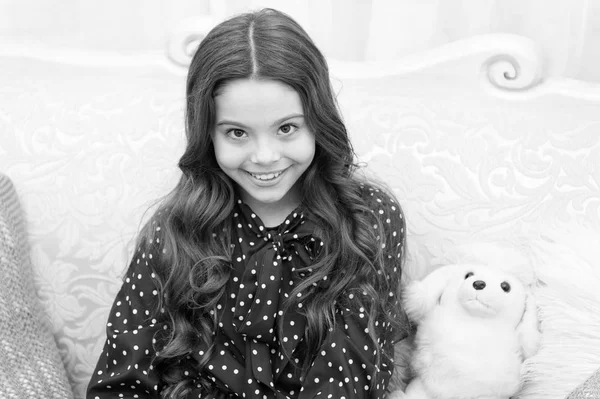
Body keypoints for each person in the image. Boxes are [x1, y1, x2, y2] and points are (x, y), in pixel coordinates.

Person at [87, 8, 408, 399]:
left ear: (318, 122)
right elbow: (121, 380)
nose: (265, 156)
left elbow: (352, 378)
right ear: (207, 134)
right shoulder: (173, 229)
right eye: (237, 132)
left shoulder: (366, 219)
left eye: (287, 128)